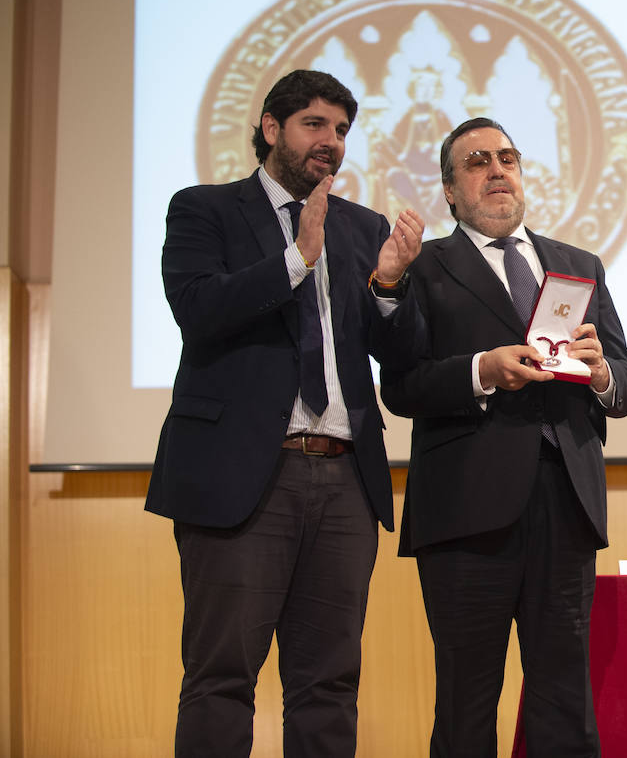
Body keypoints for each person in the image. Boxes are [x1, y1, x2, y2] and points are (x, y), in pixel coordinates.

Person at [145, 69, 427, 756]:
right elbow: (198, 310)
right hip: (244, 475)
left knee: (328, 682)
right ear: (271, 128)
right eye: (313, 124)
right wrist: (297, 258)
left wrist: (390, 285)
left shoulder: (363, 226)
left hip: (343, 479)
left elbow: (397, 357)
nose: (328, 142)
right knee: (221, 677)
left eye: (339, 130)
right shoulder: (204, 209)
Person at [380, 117, 627, 757]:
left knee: (565, 700)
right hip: (467, 512)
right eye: (476, 162)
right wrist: (483, 371)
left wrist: (602, 372)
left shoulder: (577, 265)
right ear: (449, 191)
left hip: (567, 504)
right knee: (468, 703)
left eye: (507, 158)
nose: (497, 170)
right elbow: (402, 385)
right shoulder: (428, 266)